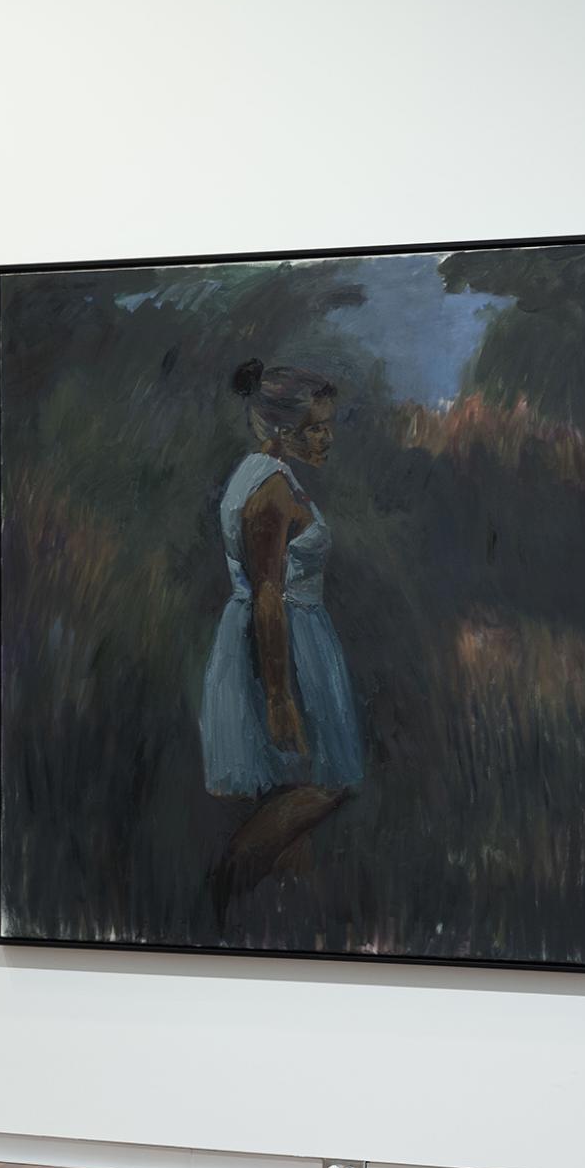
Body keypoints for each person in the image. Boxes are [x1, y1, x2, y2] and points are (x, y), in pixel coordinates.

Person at [199, 359, 363, 924]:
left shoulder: (264, 474)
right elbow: (268, 592)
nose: (326, 437)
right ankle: (222, 895)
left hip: (294, 636)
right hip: (283, 644)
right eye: (315, 428)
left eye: (327, 424)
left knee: (291, 790)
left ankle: (283, 919)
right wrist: (279, 697)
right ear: (281, 430)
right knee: (322, 785)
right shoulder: (268, 489)